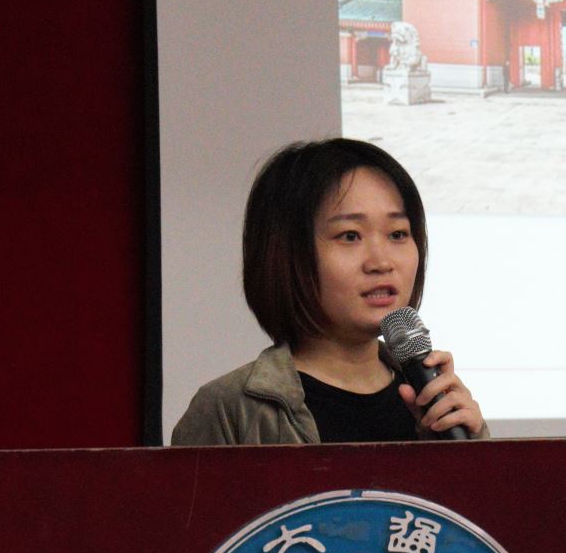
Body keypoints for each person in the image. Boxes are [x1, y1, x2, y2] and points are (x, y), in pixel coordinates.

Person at [171, 138, 486, 445]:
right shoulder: (230, 410)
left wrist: (468, 450)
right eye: (350, 236)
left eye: (398, 234)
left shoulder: (435, 404)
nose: (381, 262)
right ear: (287, 253)